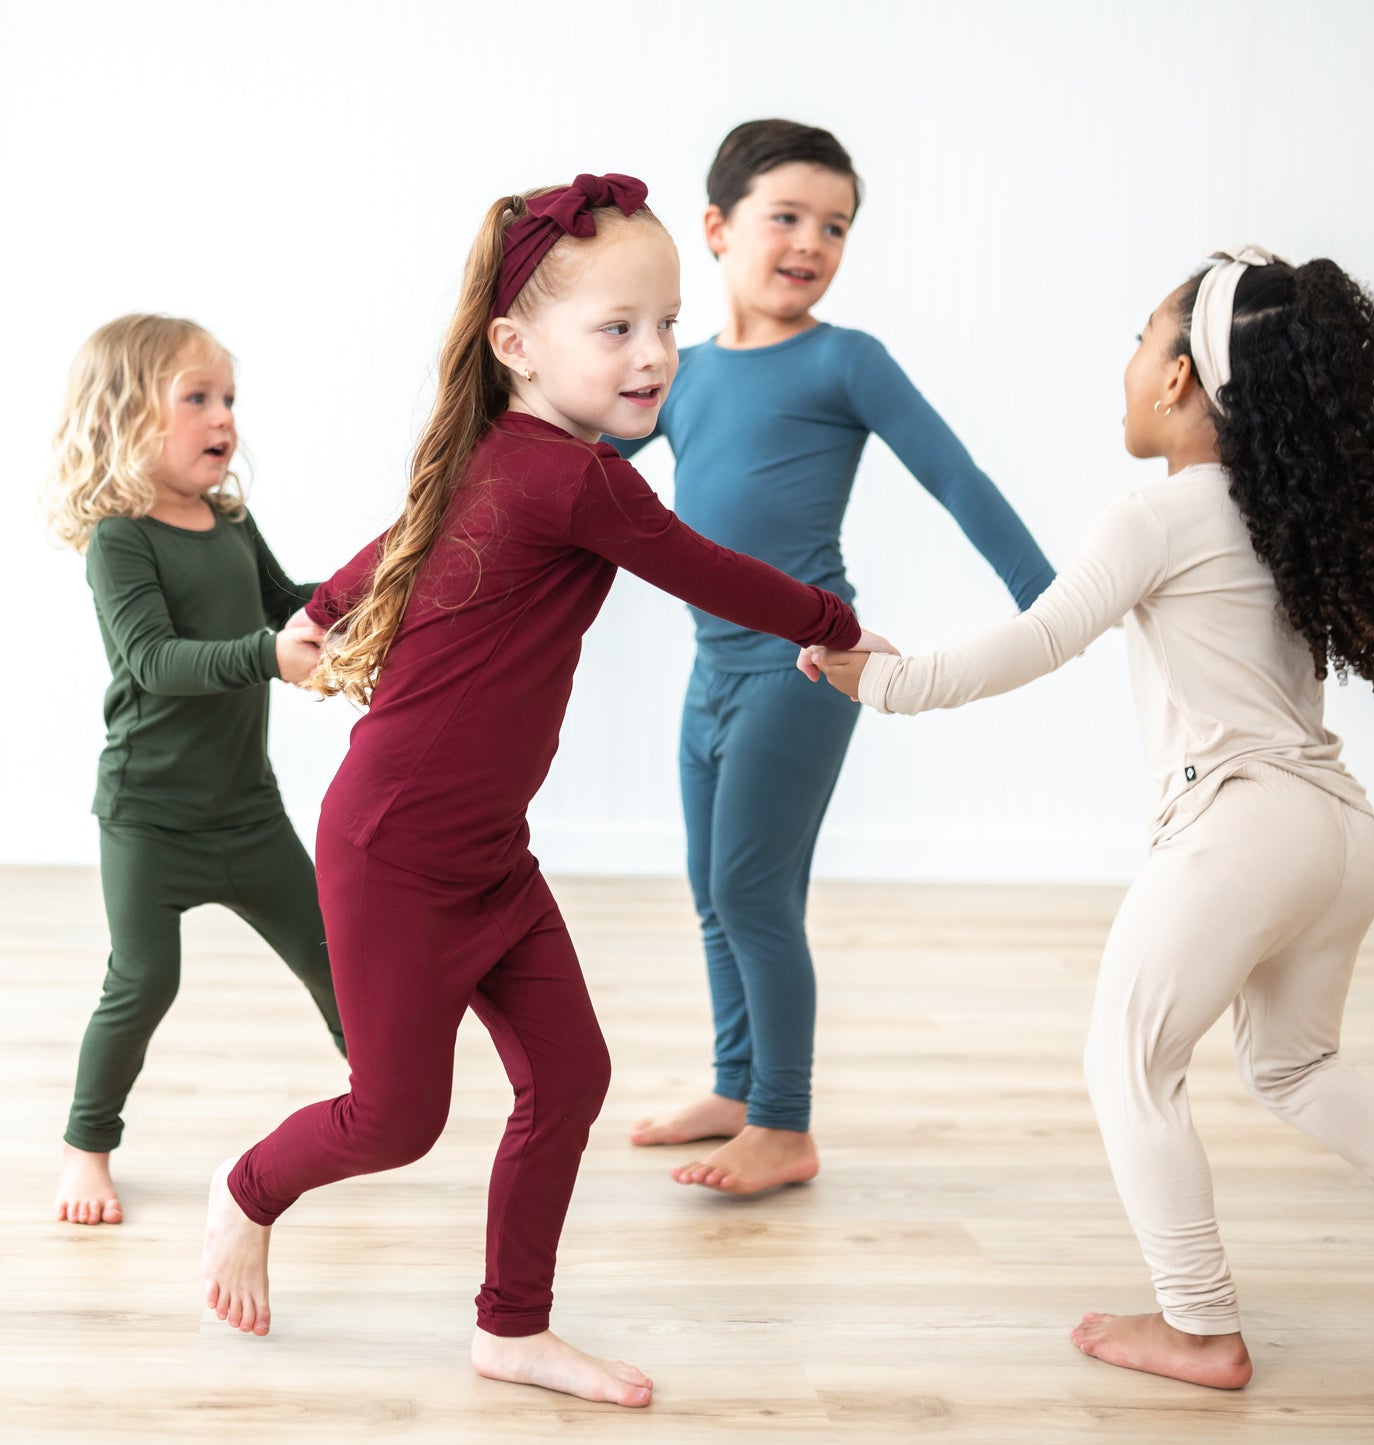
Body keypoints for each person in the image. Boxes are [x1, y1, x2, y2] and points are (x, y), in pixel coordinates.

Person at [199, 174, 889, 1410]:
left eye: (667, 323)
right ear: (518, 347)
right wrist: (838, 625)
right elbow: (710, 570)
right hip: (398, 852)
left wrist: (319, 607)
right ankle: (246, 1190)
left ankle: (511, 1327)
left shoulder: (518, 456)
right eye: (616, 328)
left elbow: (397, 537)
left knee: (568, 1074)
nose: (655, 355)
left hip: (484, 857)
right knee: (393, 1117)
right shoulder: (575, 480)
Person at [811, 247, 1374, 1387]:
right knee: (1294, 1064)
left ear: (1179, 381)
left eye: (1138, 340)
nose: (1125, 364)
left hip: (1242, 827)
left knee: (1126, 1059)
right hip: (1339, 832)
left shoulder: (1160, 514)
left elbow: (1039, 637)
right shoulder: (1283, 516)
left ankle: (1197, 1322)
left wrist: (885, 678)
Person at [617, 120, 1054, 1195]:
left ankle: (784, 1121)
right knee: (711, 891)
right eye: (786, 217)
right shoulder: (681, 372)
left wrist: (1051, 602)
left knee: (751, 889)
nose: (810, 241)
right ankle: (735, 1082)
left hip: (806, 668)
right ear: (715, 228)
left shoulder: (844, 359)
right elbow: (575, 459)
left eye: (835, 226)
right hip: (709, 671)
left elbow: (953, 478)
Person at [45, 314, 347, 1228]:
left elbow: (291, 606)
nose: (225, 418)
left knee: (334, 953)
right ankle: (85, 1146)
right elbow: (153, 660)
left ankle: (383, 1094)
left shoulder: (228, 518)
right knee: (143, 980)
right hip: (150, 815)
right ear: (128, 415)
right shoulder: (120, 538)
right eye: (199, 398)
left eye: (229, 399)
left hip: (247, 812)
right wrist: (268, 655)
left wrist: (364, 602)